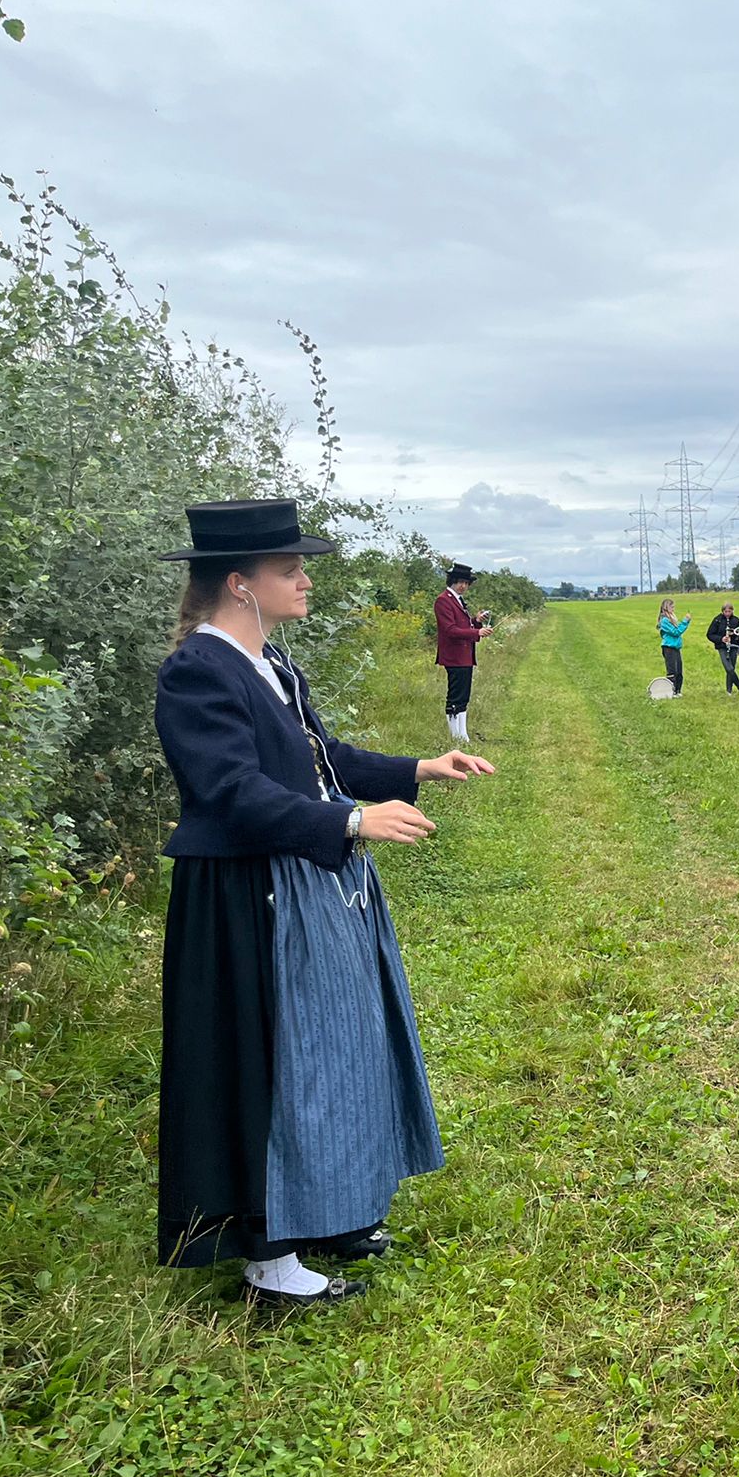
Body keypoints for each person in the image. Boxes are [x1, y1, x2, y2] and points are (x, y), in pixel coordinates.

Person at [153, 499, 495, 1307]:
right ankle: (270, 1263)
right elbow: (230, 791)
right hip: (245, 897)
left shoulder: (271, 663)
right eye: (290, 570)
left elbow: (322, 759)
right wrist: (349, 821)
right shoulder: (198, 671)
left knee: (340, 1045)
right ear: (239, 584)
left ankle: (330, 1212)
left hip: (306, 880)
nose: (305, 581)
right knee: (272, 1063)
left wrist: (418, 768)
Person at [433, 561, 492, 744]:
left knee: (463, 697)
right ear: (452, 581)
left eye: (466, 583)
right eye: (460, 582)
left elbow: (463, 625)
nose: (463, 586)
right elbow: (450, 630)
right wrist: (477, 632)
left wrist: (476, 621)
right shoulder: (443, 600)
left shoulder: (457, 599)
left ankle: (462, 735)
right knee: (455, 696)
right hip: (454, 656)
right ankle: (455, 735)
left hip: (465, 656)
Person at [705, 602, 739, 695]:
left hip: (733, 647)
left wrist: (734, 635)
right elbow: (710, 634)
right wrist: (721, 639)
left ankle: (729, 690)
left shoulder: (736, 620)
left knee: (732, 668)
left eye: (729, 611)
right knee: (729, 668)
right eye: (726, 611)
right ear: (722, 611)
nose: (727, 613)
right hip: (722, 647)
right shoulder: (717, 620)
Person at [657, 599, 690, 696]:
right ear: (666, 607)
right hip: (668, 648)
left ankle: (678, 691)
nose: (673, 609)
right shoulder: (664, 621)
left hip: (676, 647)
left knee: (679, 670)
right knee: (672, 671)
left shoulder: (672, 618)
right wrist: (685, 621)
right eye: (672, 607)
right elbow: (676, 632)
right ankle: (671, 691)